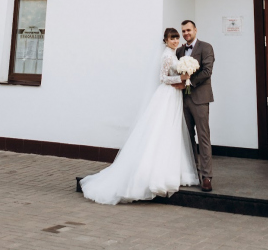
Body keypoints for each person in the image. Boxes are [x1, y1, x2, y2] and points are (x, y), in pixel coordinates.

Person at [79, 28, 199, 205]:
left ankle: (173, 170)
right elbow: (163, 78)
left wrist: (183, 79)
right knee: (162, 129)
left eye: (176, 38)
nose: (175, 41)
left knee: (171, 131)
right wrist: (181, 78)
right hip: (167, 95)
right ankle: (156, 174)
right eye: (171, 38)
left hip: (174, 96)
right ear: (165, 40)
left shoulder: (174, 54)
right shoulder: (167, 56)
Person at [176, 20, 215, 191]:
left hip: (200, 98)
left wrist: (188, 82)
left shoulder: (206, 47)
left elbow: (207, 71)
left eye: (188, 30)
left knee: (203, 137)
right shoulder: (179, 51)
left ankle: (207, 177)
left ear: (195, 30)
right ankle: (193, 173)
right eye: (183, 31)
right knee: (187, 137)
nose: (186, 33)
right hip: (183, 100)